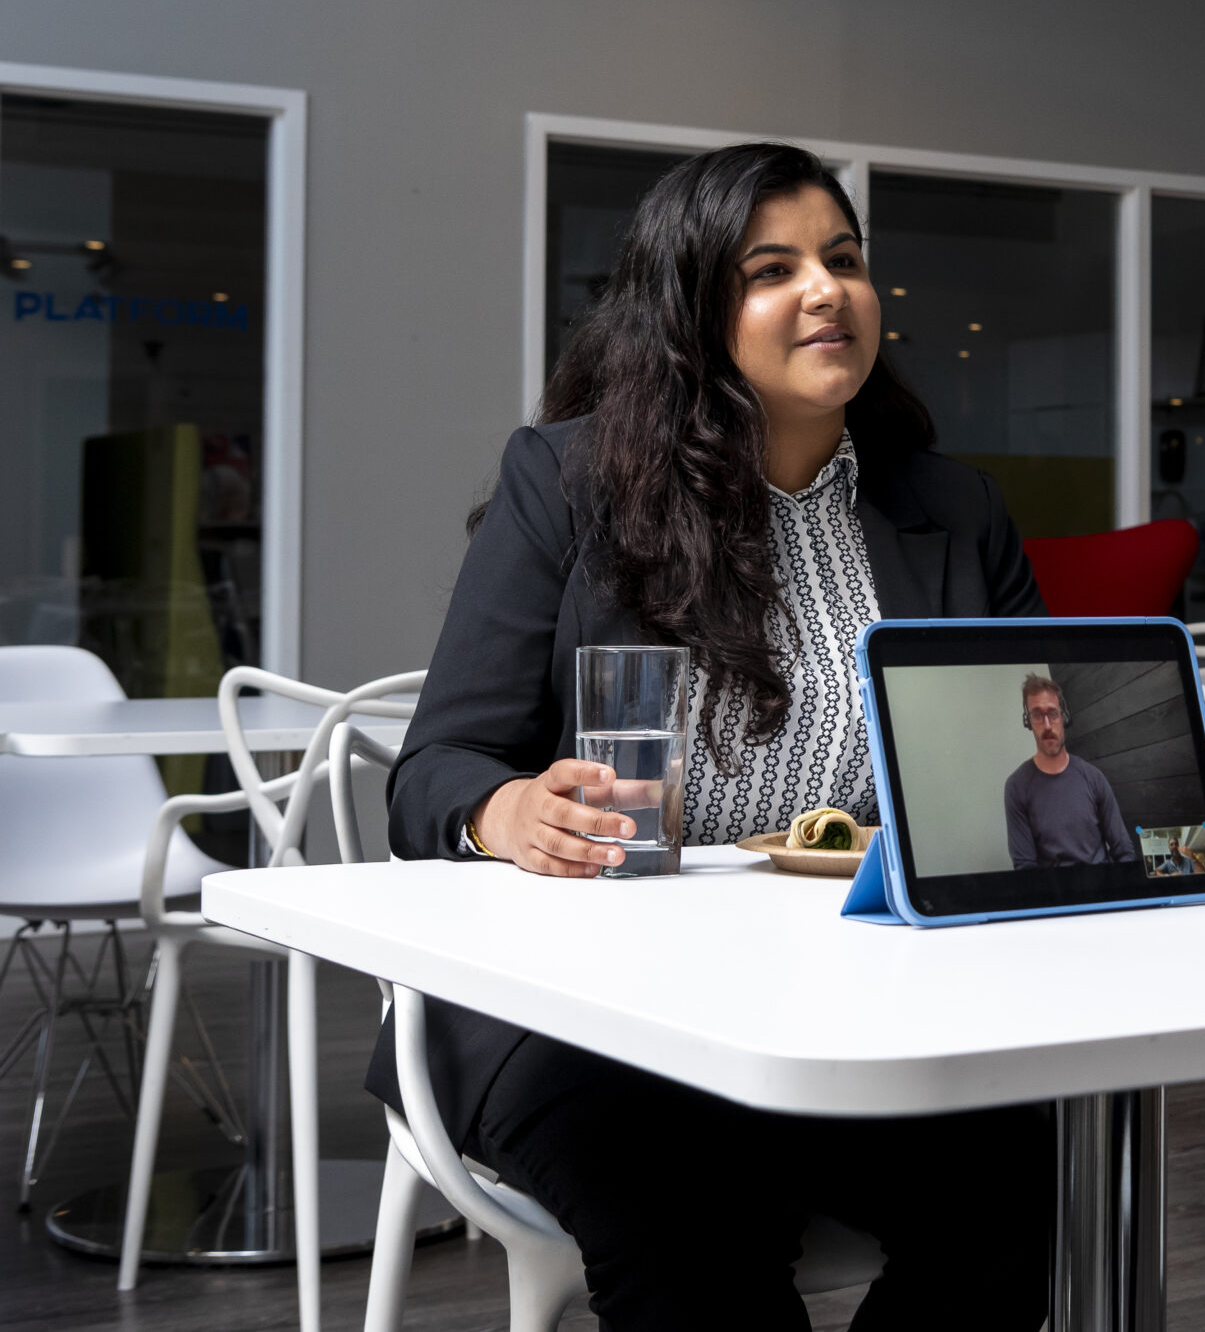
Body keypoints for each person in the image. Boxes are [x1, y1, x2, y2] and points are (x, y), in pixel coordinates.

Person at [369, 143, 1052, 1331]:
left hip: (850, 993)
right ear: (691, 308)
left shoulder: (952, 507)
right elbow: (434, 770)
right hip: (580, 1008)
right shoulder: (570, 481)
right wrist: (510, 810)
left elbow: (1025, 757)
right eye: (771, 268)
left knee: (1017, 1191)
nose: (826, 289)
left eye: (843, 259)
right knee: (701, 1236)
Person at [1003, 673, 1137, 869]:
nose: (1047, 725)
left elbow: (1123, 849)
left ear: (1063, 716)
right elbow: (1025, 867)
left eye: (1052, 713)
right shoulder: (1016, 787)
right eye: (1038, 715)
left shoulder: (1093, 777)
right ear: (1028, 721)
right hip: (1057, 895)